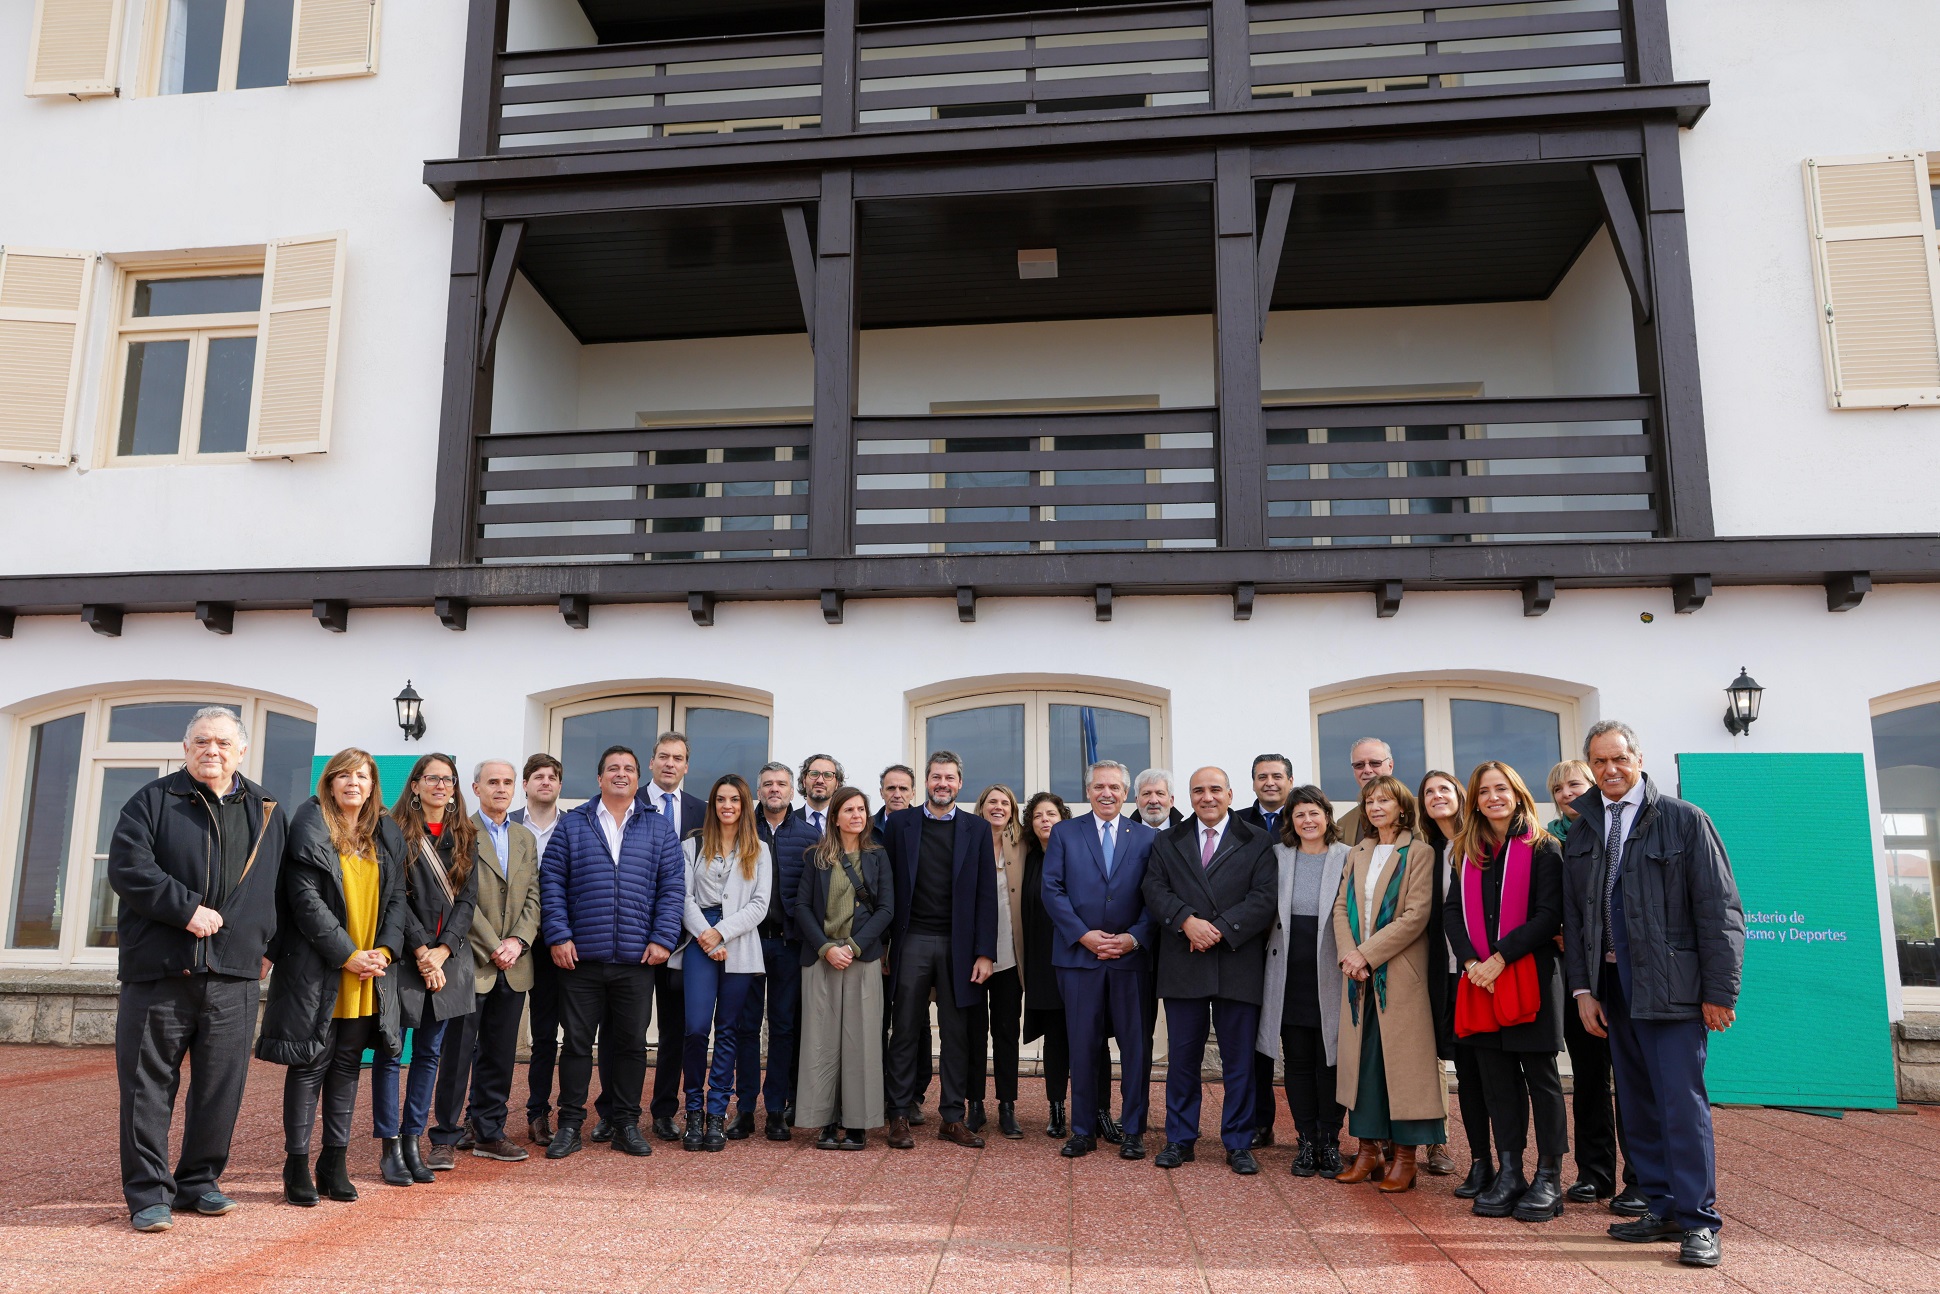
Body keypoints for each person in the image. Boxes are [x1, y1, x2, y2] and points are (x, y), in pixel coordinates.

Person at [1563, 721, 1745, 1269]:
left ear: (1638, 757)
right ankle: (1660, 1206)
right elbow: (1576, 921)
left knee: (1680, 1105)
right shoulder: (1584, 829)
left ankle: (1699, 1221)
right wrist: (1583, 989)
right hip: (1613, 989)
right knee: (1638, 1104)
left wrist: (1720, 991)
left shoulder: (1684, 820)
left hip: (1672, 989)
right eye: (1599, 762)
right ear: (1589, 766)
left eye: (1619, 758)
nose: (1610, 770)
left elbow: (1721, 911)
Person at [109, 706, 289, 1232]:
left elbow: (281, 887)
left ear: (241, 751)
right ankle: (147, 1195)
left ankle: (199, 1182)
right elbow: (128, 868)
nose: (212, 751)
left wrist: (269, 946)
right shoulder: (151, 801)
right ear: (185, 749)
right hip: (159, 971)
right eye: (201, 743)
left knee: (221, 1086)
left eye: (222, 743)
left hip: (233, 974)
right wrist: (184, 909)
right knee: (147, 1087)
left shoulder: (267, 809)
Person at [256, 748, 406, 1208]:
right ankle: (296, 1164)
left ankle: (333, 1162)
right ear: (329, 782)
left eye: (362, 775)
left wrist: (383, 951)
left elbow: (399, 898)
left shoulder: (386, 831)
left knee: (346, 1066)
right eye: (343, 775)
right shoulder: (309, 826)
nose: (352, 783)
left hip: (369, 971)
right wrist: (347, 955)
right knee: (310, 1065)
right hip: (318, 969)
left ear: (372, 784)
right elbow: (304, 903)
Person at [539, 745, 686, 1160]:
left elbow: (673, 888)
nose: (621, 774)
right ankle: (569, 1125)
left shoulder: (658, 829)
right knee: (578, 1045)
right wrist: (558, 935)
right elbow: (551, 883)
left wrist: (662, 938)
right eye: (612, 769)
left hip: (637, 959)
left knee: (632, 1046)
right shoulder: (573, 825)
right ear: (599, 778)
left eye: (629, 769)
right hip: (580, 957)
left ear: (638, 779)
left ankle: (625, 1123)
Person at [1142, 766, 1279, 1175]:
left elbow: (1264, 896)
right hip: (1185, 959)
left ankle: (1238, 1142)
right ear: (1189, 796)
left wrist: (1219, 928)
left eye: (1215, 789)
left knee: (1240, 1061)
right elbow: (1154, 889)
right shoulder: (1168, 840)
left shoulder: (1257, 840)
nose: (1207, 797)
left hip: (1237, 962)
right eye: (1198, 790)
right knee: (1183, 1059)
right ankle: (1180, 1139)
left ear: (1230, 794)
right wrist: (1186, 921)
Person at [1447, 762, 1568, 1222]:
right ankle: (1511, 1170)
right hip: (1480, 980)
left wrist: (1500, 956)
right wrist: (1472, 962)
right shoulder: (1467, 852)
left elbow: (1547, 914)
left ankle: (1550, 1176)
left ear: (1517, 793)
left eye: (1501, 789)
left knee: (1542, 1080)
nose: (1493, 797)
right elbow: (1451, 912)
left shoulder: (1543, 848)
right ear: (1475, 800)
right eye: (1483, 792)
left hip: (1530, 976)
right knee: (1498, 1085)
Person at [1331, 775, 1445, 1193]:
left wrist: (1367, 954)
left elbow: (1414, 916)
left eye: (1385, 800)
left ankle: (1406, 1158)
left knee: (1402, 1065)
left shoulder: (1420, 852)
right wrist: (1349, 955)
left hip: (1399, 972)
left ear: (1402, 807)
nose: (1376, 806)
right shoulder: (1357, 852)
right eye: (1370, 800)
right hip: (1357, 975)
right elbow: (1341, 909)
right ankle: (1367, 1152)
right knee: (1364, 1063)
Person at [881, 751, 998, 1149]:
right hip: (911, 939)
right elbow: (887, 887)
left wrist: (985, 952)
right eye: (935, 777)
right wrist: (884, 946)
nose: (942, 784)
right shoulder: (899, 824)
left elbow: (986, 895)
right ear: (925, 782)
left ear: (960, 783)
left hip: (960, 946)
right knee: (905, 1031)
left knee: (957, 1033)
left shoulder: (977, 829)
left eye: (949, 778)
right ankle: (898, 1114)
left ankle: (952, 1117)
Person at [1043, 760, 1158, 1160]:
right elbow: (1052, 890)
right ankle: (1082, 1130)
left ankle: (1134, 1131)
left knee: (1135, 1047)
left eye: (1114, 787)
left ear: (1126, 793)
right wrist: (1084, 935)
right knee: (1083, 1045)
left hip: (1130, 960)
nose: (1106, 793)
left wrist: (1133, 938)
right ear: (1088, 791)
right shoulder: (1064, 833)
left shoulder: (1146, 838)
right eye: (1098, 787)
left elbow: (1155, 897)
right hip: (1079, 958)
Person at [1546, 758, 1643, 1214]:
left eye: (1575, 784)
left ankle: (1640, 1176)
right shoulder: (1548, 841)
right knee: (1587, 1078)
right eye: (1559, 788)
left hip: (1621, 971)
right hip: (1576, 975)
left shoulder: (1616, 830)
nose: (1568, 793)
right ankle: (1594, 1173)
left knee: (1631, 1079)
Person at [378, 754, 480, 1179]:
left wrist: (444, 950)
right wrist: (423, 951)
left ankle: (412, 1140)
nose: (441, 785)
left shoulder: (465, 834)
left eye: (448, 779)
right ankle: (388, 1147)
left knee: (430, 1053)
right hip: (404, 958)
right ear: (415, 785)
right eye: (432, 778)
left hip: (448, 960)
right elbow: (394, 896)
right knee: (390, 1052)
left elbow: (468, 900)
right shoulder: (392, 830)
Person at [435, 760, 540, 1166]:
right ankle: (445, 1136)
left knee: (499, 1054)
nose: (501, 789)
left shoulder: (525, 838)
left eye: (508, 782)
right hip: (470, 961)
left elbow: (534, 895)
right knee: (457, 1054)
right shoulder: (460, 833)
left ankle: (489, 1132)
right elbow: (459, 897)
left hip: (514, 965)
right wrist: (495, 943)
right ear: (475, 788)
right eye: (492, 782)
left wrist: (518, 941)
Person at [670, 774, 772, 1152]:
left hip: (739, 945)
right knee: (696, 1028)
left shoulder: (759, 850)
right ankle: (693, 1110)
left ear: (745, 806)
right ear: (712, 806)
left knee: (728, 1030)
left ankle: (717, 1113)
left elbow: (760, 904)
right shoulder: (691, 845)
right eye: (720, 800)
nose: (727, 806)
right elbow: (682, 898)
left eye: (735, 800)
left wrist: (722, 933)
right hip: (699, 941)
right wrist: (705, 936)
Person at [794, 786, 897, 1150]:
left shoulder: (877, 856)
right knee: (821, 1043)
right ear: (835, 816)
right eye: (849, 809)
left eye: (861, 810)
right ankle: (824, 1120)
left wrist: (852, 947)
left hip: (861, 958)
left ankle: (857, 1125)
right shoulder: (816, 857)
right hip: (822, 959)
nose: (857, 815)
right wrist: (825, 948)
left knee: (862, 1044)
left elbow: (886, 909)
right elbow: (802, 908)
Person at [1256, 785, 1349, 1179]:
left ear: (1327, 815)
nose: (1307, 821)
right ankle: (1306, 1140)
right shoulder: (1279, 856)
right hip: (1288, 970)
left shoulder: (1348, 857)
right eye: (1299, 815)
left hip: (1332, 968)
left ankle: (1330, 1140)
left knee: (1331, 1059)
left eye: (1314, 813)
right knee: (1296, 1060)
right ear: (1290, 822)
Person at [737, 761, 818, 1141]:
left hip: (788, 946)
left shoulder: (807, 835)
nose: (774, 789)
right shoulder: (740, 829)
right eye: (767, 783)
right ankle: (744, 1110)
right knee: (746, 1027)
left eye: (781, 784)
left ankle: (776, 1109)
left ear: (792, 790)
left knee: (784, 1028)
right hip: (747, 942)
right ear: (759, 790)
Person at [641, 732, 707, 1144]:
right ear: (651, 762)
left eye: (677, 758)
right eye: (663, 756)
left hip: (680, 939)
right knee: (623, 1030)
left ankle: (665, 1111)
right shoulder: (629, 802)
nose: (669, 764)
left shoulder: (702, 811)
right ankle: (614, 1110)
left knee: (674, 1030)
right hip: (628, 934)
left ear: (686, 766)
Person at [1418, 770, 1480, 1189]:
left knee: (1477, 1063)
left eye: (1444, 789)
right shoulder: (1428, 849)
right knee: (1433, 1055)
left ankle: (1488, 1158)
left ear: (1460, 795)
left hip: (1481, 968)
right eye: (1428, 792)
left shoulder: (1478, 842)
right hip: (1438, 966)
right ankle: (1436, 1142)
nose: (1437, 796)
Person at [512, 753, 573, 1145]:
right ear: (526, 783)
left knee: (548, 1034)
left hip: (554, 943)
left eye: (552, 776)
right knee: (494, 1035)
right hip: (508, 944)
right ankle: (478, 1114)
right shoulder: (508, 823)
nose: (545, 782)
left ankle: (539, 1113)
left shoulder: (576, 826)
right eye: (538, 776)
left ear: (560, 785)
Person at [1235, 753, 1293, 1147]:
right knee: (1257, 1041)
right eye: (1262, 777)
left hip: (1297, 941)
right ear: (1252, 783)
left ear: (1290, 780)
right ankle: (1260, 1121)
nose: (1269, 782)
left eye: (1276, 776)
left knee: (1302, 1037)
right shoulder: (1237, 822)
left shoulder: (1307, 815)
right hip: (1250, 944)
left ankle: (1317, 1128)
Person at [968, 783, 1027, 1139]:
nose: (998, 807)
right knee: (973, 1032)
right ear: (981, 806)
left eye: (1005, 803)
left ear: (1013, 810)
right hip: (973, 954)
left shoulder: (1022, 847)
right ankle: (974, 1104)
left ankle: (1007, 1106)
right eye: (992, 801)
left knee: (1006, 1031)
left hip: (1010, 953)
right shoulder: (968, 843)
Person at [1019, 791, 1077, 1137]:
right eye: (1038, 815)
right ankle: (1056, 1108)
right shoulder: (1026, 859)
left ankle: (1094, 1107)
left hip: (1076, 955)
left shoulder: (1076, 855)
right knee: (1055, 1038)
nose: (1045, 819)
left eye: (1052, 814)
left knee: (1088, 1036)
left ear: (1063, 819)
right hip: (1042, 960)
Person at [1334, 739, 1393, 845]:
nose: (1367, 770)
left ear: (1390, 766)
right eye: (1359, 765)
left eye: (1375, 763)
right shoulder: (1345, 824)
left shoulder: (1419, 810)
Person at [798, 753, 843, 835]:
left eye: (828, 775)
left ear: (837, 784)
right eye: (814, 774)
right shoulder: (788, 820)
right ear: (804, 781)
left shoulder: (845, 822)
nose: (820, 780)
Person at [875, 764, 916, 832]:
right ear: (881, 792)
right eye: (891, 788)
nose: (897, 795)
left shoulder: (925, 826)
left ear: (913, 794)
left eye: (903, 789)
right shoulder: (867, 827)